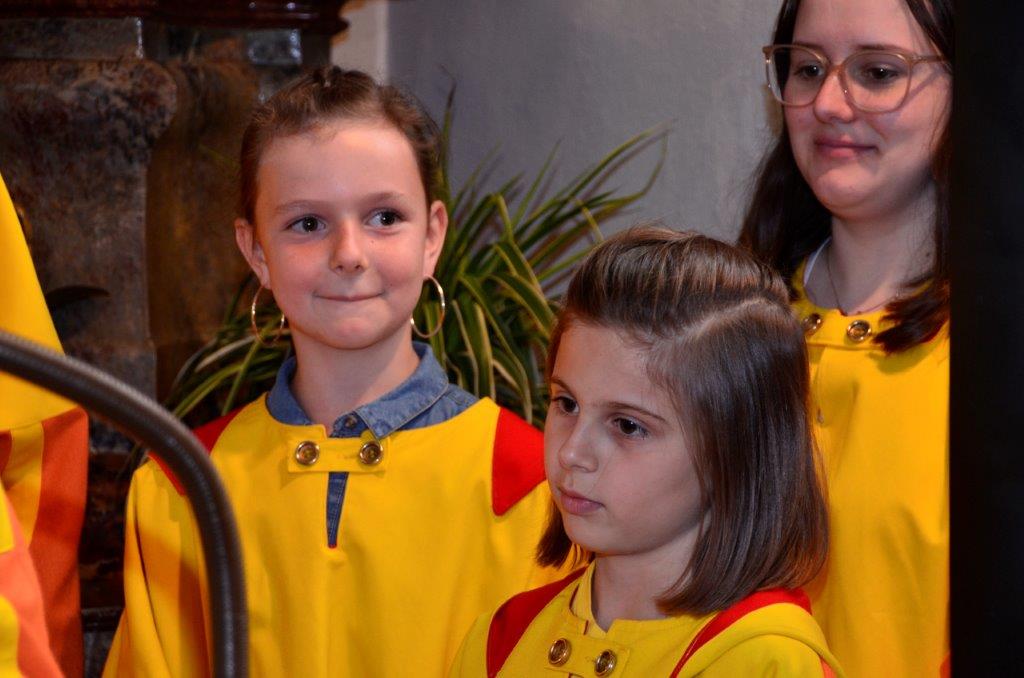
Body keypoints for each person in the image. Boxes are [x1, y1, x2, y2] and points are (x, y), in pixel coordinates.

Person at [104, 67, 561, 677]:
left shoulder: (530, 485)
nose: (348, 254)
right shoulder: (184, 489)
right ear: (256, 251)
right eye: (308, 224)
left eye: (384, 217)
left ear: (432, 236)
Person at [450, 227, 843, 677]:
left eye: (627, 426)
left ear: (735, 452)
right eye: (566, 404)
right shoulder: (500, 642)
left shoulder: (765, 661)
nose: (572, 452)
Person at [740, 0, 952, 675]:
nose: (829, 104)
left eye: (878, 72)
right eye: (807, 69)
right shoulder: (723, 324)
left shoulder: (996, 360)